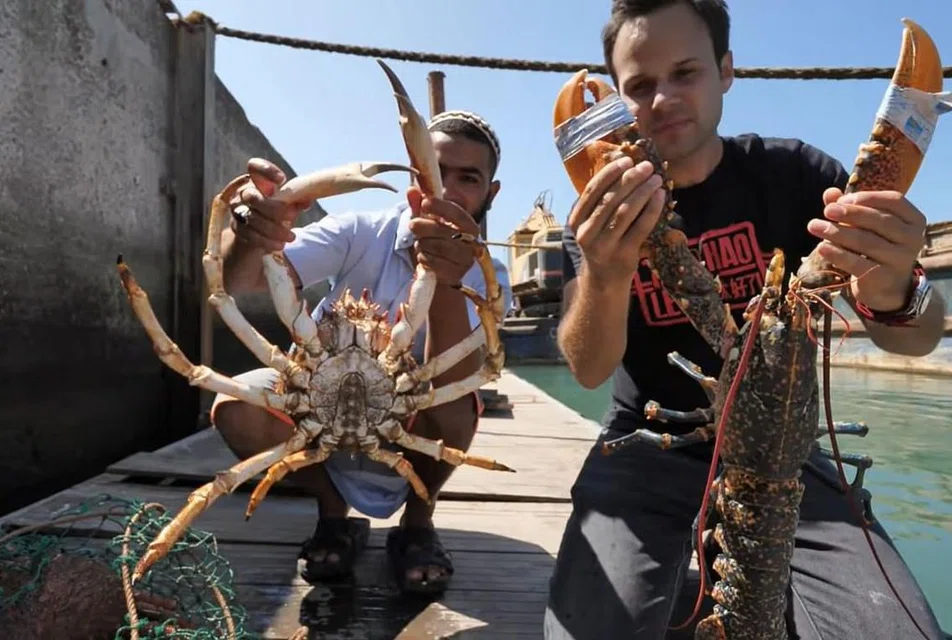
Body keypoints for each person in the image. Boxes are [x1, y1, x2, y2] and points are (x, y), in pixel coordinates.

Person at [545, 1, 947, 638]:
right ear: (619, 99)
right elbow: (589, 368)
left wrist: (892, 282)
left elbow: (918, 338)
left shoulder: (798, 176)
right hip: (648, 447)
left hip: (788, 459)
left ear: (726, 70)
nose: (664, 98)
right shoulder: (605, 209)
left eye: (686, 73)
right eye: (640, 86)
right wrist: (607, 269)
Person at [210, 110, 511, 596]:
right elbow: (240, 280)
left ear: (490, 194)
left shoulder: (489, 274)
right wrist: (253, 234)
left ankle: (418, 523)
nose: (445, 190)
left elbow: (459, 377)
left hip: (409, 419)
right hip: (317, 407)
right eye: (431, 174)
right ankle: (334, 516)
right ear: (414, 178)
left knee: (458, 406)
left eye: (467, 178)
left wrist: (449, 280)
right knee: (236, 404)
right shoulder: (357, 231)